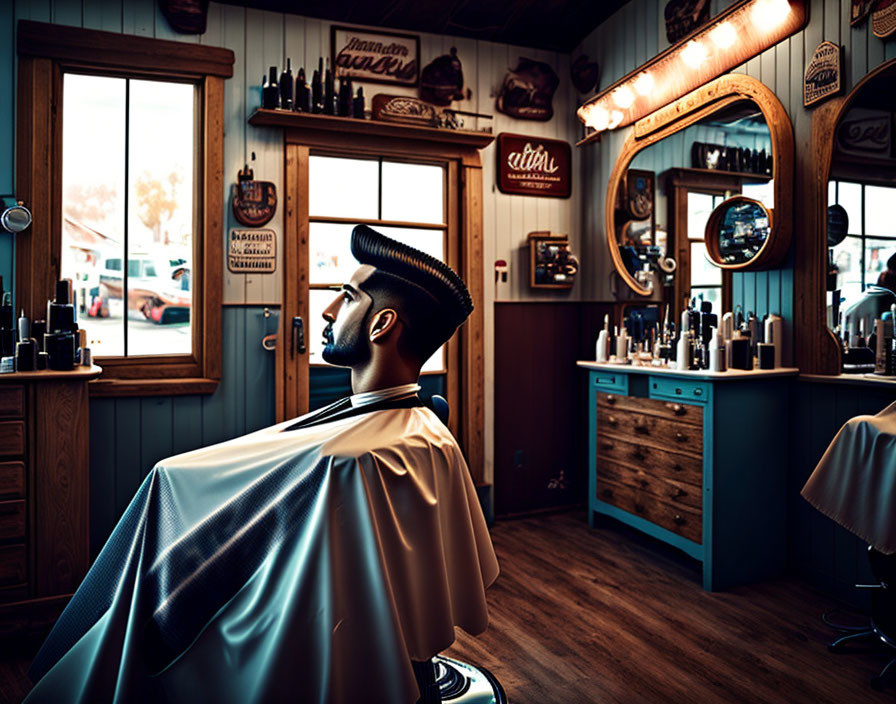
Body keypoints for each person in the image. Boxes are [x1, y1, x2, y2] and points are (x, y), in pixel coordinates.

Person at [24, 225, 499, 704]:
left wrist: (172, 483)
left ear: (381, 326)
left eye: (347, 298)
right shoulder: (420, 427)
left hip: (299, 630)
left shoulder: (348, 461)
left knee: (163, 502)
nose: (329, 311)